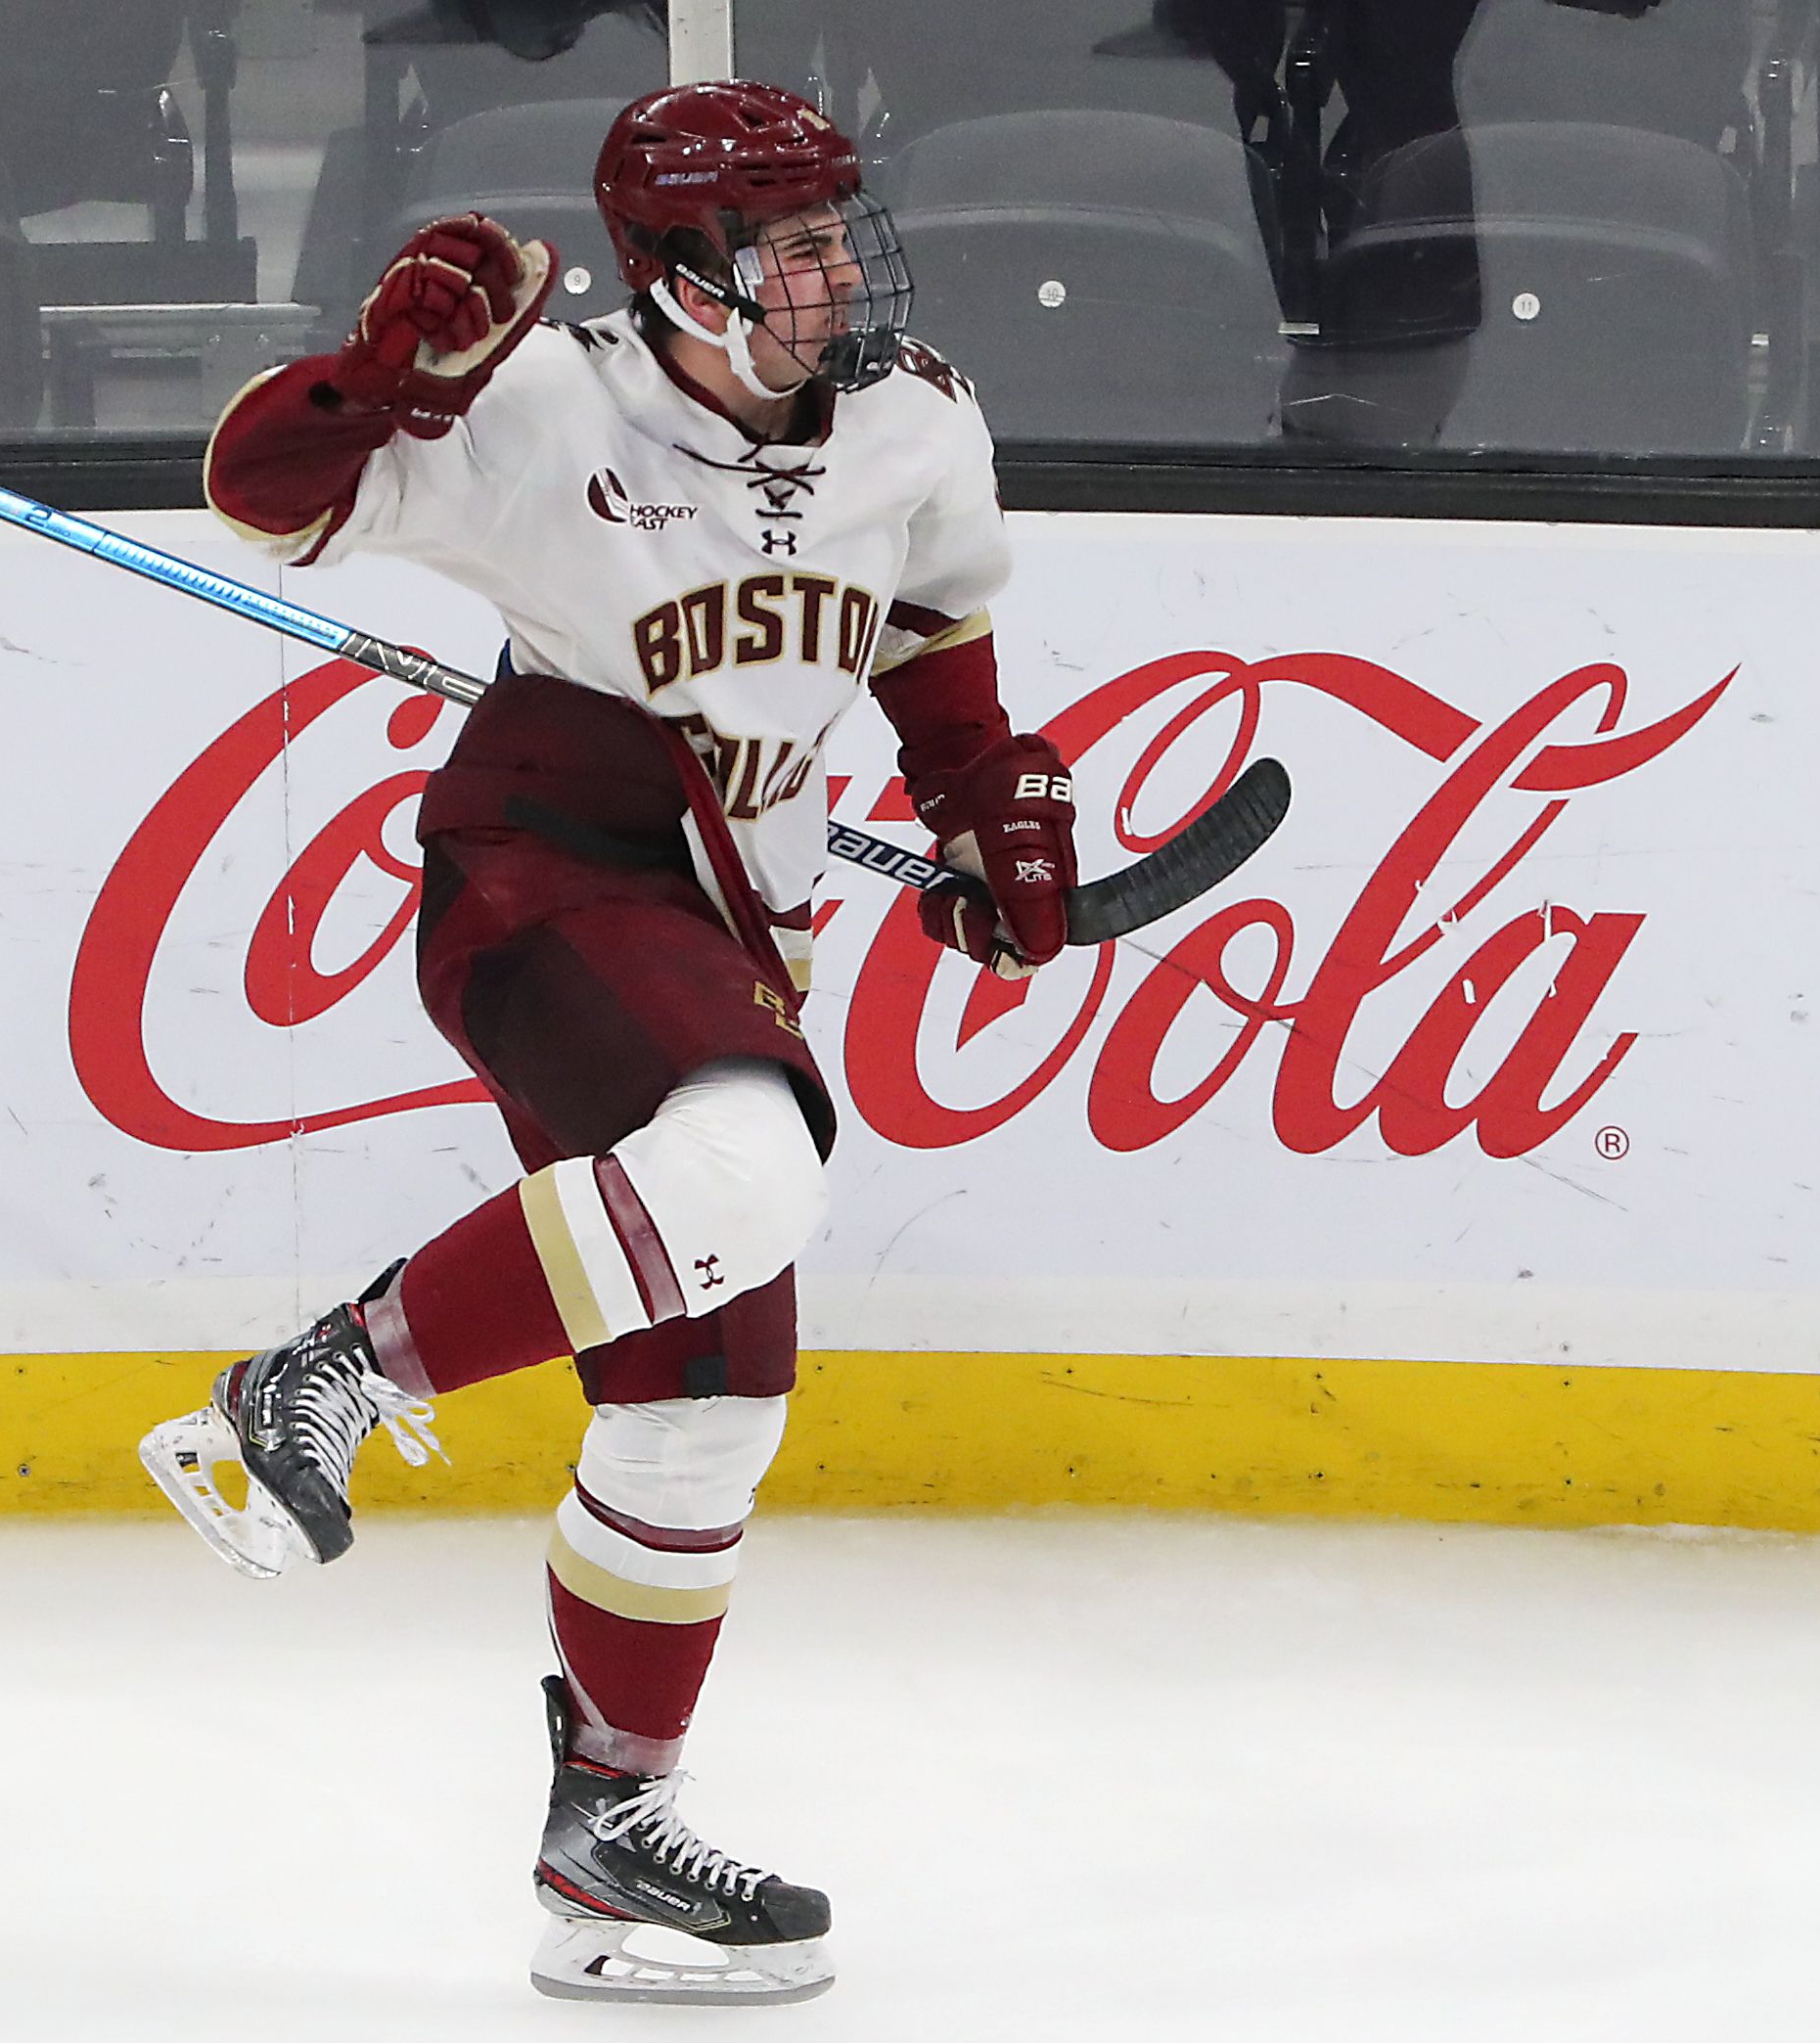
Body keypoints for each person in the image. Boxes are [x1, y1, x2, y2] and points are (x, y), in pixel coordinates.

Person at [149, 78, 1076, 2005]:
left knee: (707, 1407)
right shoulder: (551, 406)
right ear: (675, 273)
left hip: (739, 922)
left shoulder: (917, 421)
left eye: (842, 228)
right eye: (790, 243)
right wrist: (379, 373)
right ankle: (316, 1385)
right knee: (749, 1161)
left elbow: (933, 652)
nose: (839, 269)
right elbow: (259, 486)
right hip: (543, 877)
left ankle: (607, 1845)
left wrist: (993, 815)